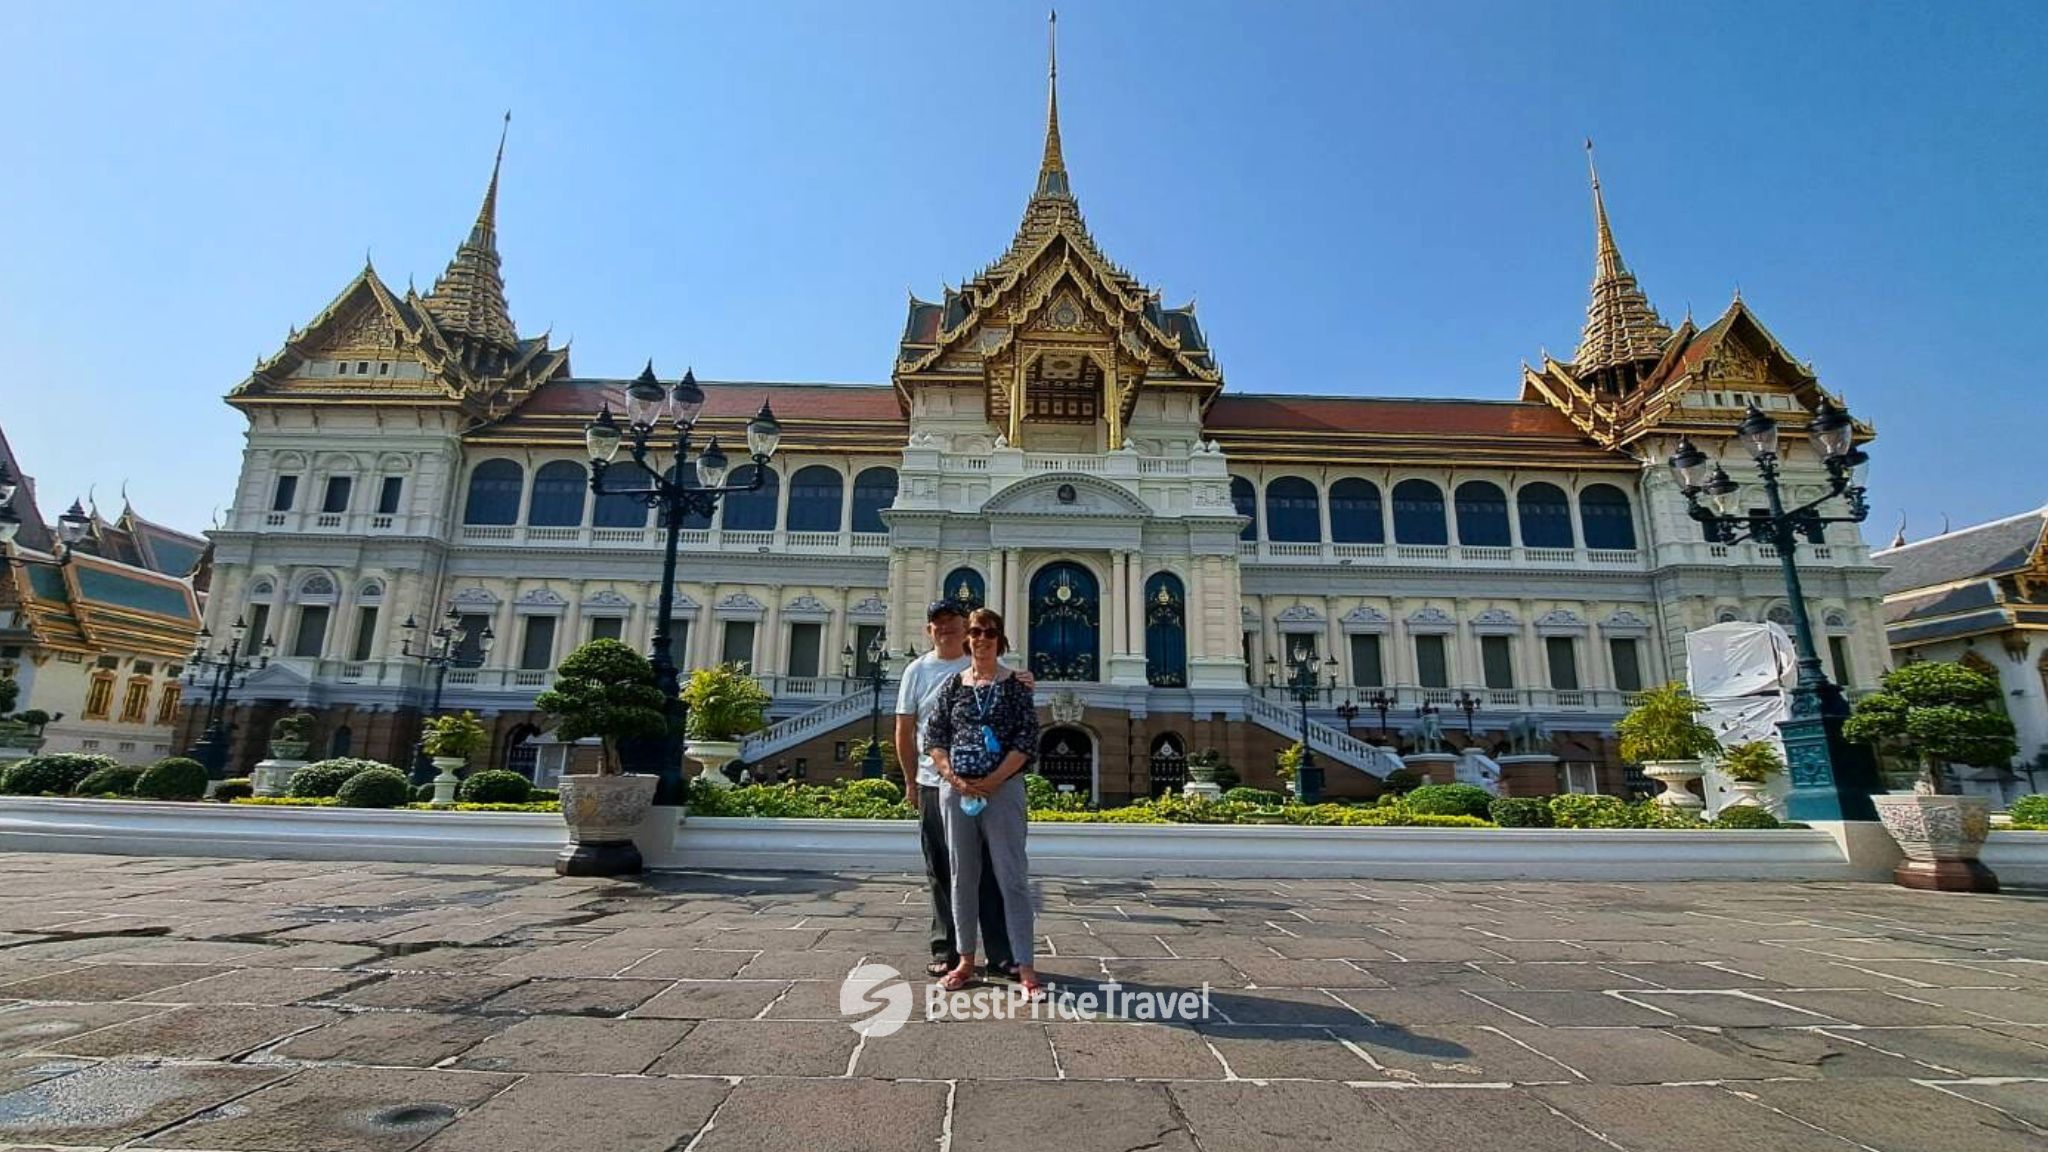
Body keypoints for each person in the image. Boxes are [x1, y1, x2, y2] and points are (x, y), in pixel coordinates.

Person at [924, 607, 1042, 998]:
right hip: (957, 791)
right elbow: (935, 737)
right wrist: (954, 778)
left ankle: (1025, 966)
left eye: (990, 632)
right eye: (976, 632)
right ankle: (965, 961)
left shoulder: (1016, 686)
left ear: (1000, 639)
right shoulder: (953, 686)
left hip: (1002, 790)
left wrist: (991, 781)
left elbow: (1026, 740)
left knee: (1012, 879)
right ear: (966, 638)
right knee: (962, 878)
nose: (982, 638)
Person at [895, 600, 1015, 980]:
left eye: (952, 622)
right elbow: (904, 730)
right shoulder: (916, 671)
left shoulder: (977, 662)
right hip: (935, 783)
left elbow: (1010, 692)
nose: (945, 628)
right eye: (937, 623)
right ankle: (947, 949)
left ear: (967, 627)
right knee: (942, 870)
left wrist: (1024, 680)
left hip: (984, 782)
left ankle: (1000, 953)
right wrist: (911, 781)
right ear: (928, 630)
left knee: (992, 870)